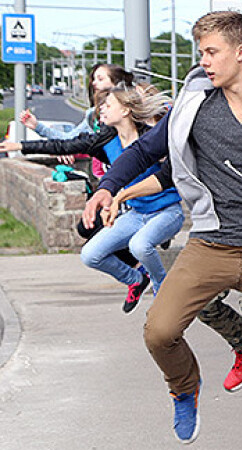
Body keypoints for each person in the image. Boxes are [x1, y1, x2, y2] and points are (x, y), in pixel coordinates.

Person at [83, 11, 242, 450]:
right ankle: (184, 389)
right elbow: (143, 152)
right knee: (159, 331)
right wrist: (107, 186)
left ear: (241, 52)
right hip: (209, 245)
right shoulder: (193, 109)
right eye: (201, 53)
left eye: (212, 52)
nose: (205, 62)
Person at [2, 83, 178, 313]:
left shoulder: (151, 138)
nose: (101, 109)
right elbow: (63, 145)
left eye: (108, 105)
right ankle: (135, 280)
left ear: (125, 110)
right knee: (90, 254)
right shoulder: (104, 141)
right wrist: (22, 146)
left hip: (166, 211)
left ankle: (162, 288)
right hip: (136, 213)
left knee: (140, 245)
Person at [20, 64, 135, 141]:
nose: (94, 83)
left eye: (100, 79)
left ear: (116, 83)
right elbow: (71, 139)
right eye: (94, 79)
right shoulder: (93, 115)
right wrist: (37, 126)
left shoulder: (135, 110)